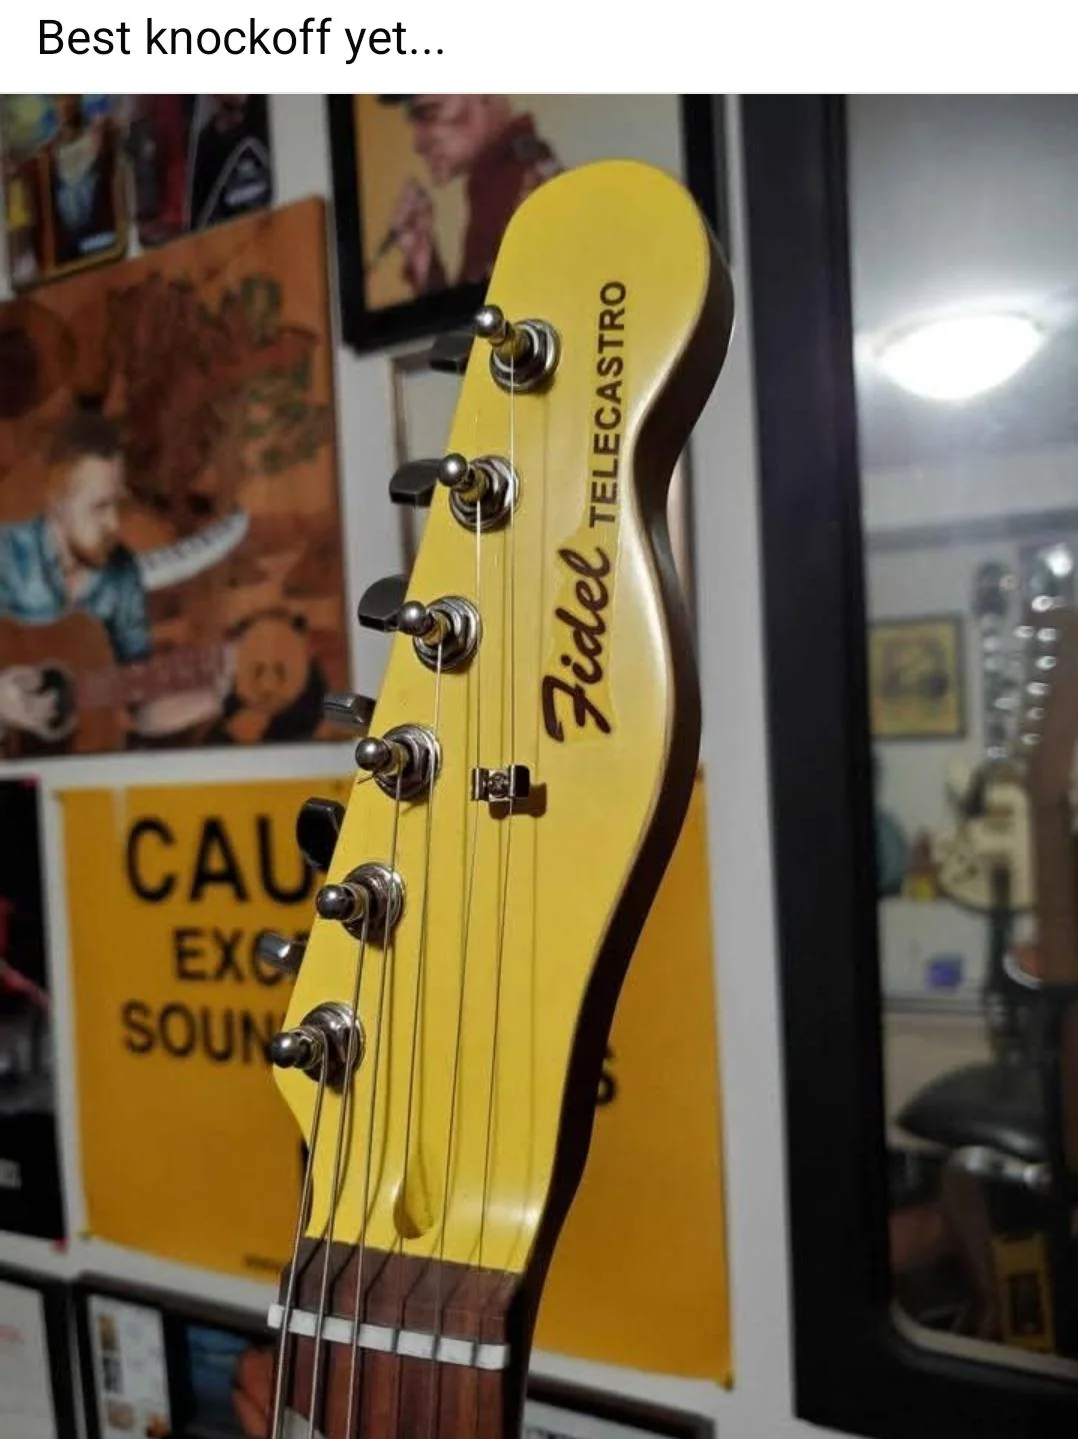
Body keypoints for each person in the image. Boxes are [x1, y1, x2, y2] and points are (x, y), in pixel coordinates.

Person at [0, 408, 226, 744]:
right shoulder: (8, 557)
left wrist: (213, 698)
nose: (114, 524)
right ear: (57, 502)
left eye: (117, 505)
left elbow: (141, 706)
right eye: (99, 507)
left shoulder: (121, 577)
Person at [381, 95, 562, 295]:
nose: (418, 143)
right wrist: (423, 257)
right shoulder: (492, 190)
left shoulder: (525, 190)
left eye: (430, 113)